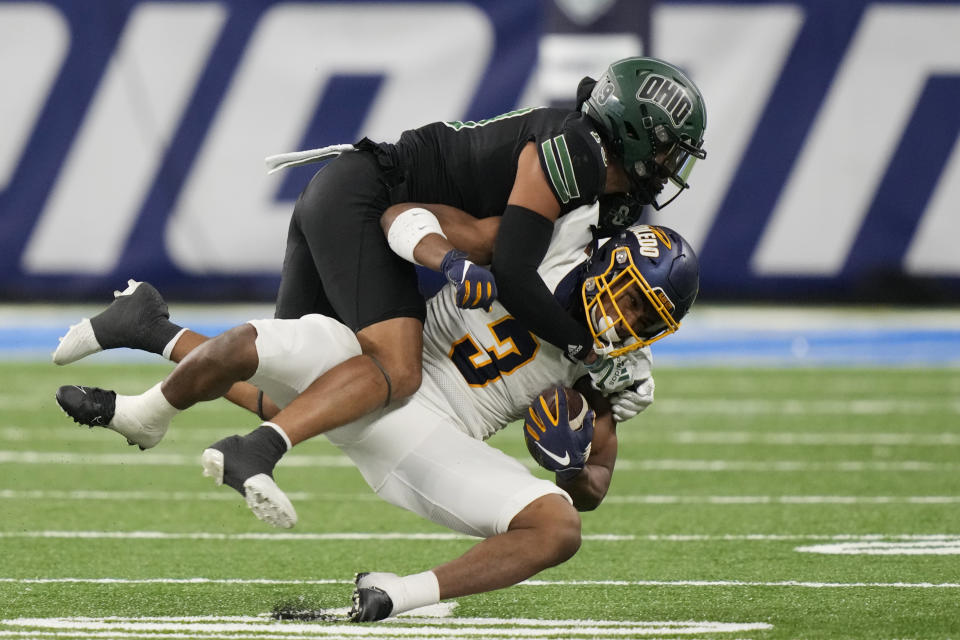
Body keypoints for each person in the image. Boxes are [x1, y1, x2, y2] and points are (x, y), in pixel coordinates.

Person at [53, 56, 707, 509]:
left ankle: (147, 327)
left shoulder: (604, 211)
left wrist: (575, 444)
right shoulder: (578, 153)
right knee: (394, 371)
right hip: (372, 201)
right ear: (633, 130)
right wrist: (581, 346)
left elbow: (501, 250)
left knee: (301, 392)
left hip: (363, 198)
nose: (674, 165)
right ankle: (228, 441)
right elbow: (505, 264)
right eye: (671, 146)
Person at [56, 218, 700, 622]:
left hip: (437, 440)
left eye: (647, 321)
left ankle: (400, 594)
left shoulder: (619, 371)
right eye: (629, 299)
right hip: (384, 363)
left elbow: (594, 488)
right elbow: (411, 216)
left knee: (557, 528)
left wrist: (574, 462)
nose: (627, 322)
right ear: (605, 263)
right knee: (254, 346)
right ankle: (148, 345)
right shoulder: (548, 242)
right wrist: (448, 259)